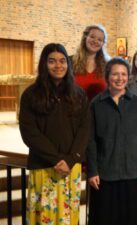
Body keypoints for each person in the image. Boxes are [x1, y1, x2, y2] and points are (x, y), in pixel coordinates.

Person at [19, 43, 90, 225]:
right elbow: (29, 132)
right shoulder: (31, 94)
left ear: (68, 63)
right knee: (44, 218)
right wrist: (56, 159)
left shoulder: (78, 94)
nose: (58, 65)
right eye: (52, 61)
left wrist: (72, 158)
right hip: (44, 166)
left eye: (62, 61)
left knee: (68, 218)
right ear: (44, 64)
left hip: (70, 167)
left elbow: (85, 128)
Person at [87, 57, 137, 225]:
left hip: (133, 172)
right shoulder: (96, 104)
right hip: (105, 174)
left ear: (128, 76)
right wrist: (92, 170)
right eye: (115, 74)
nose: (119, 78)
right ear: (107, 76)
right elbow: (91, 140)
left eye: (123, 74)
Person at [72, 24, 110, 101]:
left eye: (99, 39)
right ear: (85, 37)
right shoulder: (70, 61)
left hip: (99, 111)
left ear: (103, 43)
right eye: (92, 37)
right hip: (75, 111)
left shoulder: (108, 65)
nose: (95, 41)